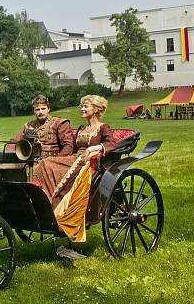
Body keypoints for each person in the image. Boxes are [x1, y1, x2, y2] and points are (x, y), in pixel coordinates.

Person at [33, 94, 116, 242]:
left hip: (88, 163)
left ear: (96, 110)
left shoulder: (103, 127)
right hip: (75, 159)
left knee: (47, 164)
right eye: (81, 106)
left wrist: (95, 148)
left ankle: (59, 211)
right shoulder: (82, 127)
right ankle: (48, 208)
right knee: (46, 163)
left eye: (85, 106)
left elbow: (111, 144)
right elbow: (72, 148)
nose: (82, 109)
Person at [11, 95, 73, 160]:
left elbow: (68, 146)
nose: (40, 112)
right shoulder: (29, 126)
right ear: (34, 111)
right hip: (31, 161)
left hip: (52, 162)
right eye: (37, 109)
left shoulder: (59, 123)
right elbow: (14, 142)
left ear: (48, 109)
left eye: (43, 109)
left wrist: (56, 161)